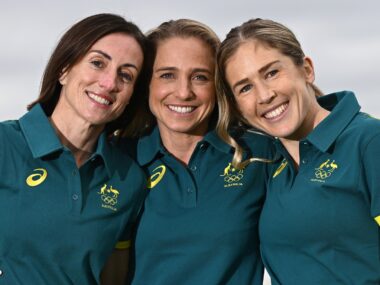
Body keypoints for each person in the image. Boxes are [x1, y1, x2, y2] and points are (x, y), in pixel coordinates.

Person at [216, 18, 380, 284]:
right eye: (245, 87)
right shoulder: (266, 161)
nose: (264, 95)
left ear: (306, 69)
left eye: (271, 73)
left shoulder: (369, 141)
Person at [116, 19, 274, 285]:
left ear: (218, 86)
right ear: (147, 85)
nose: (184, 92)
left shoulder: (259, 153)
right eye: (167, 75)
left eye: (200, 77)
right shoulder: (117, 161)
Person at [0, 13, 148, 285]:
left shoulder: (129, 180)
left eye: (125, 75)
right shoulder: (5, 144)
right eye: (97, 63)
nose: (109, 83)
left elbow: (113, 278)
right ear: (64, 69)